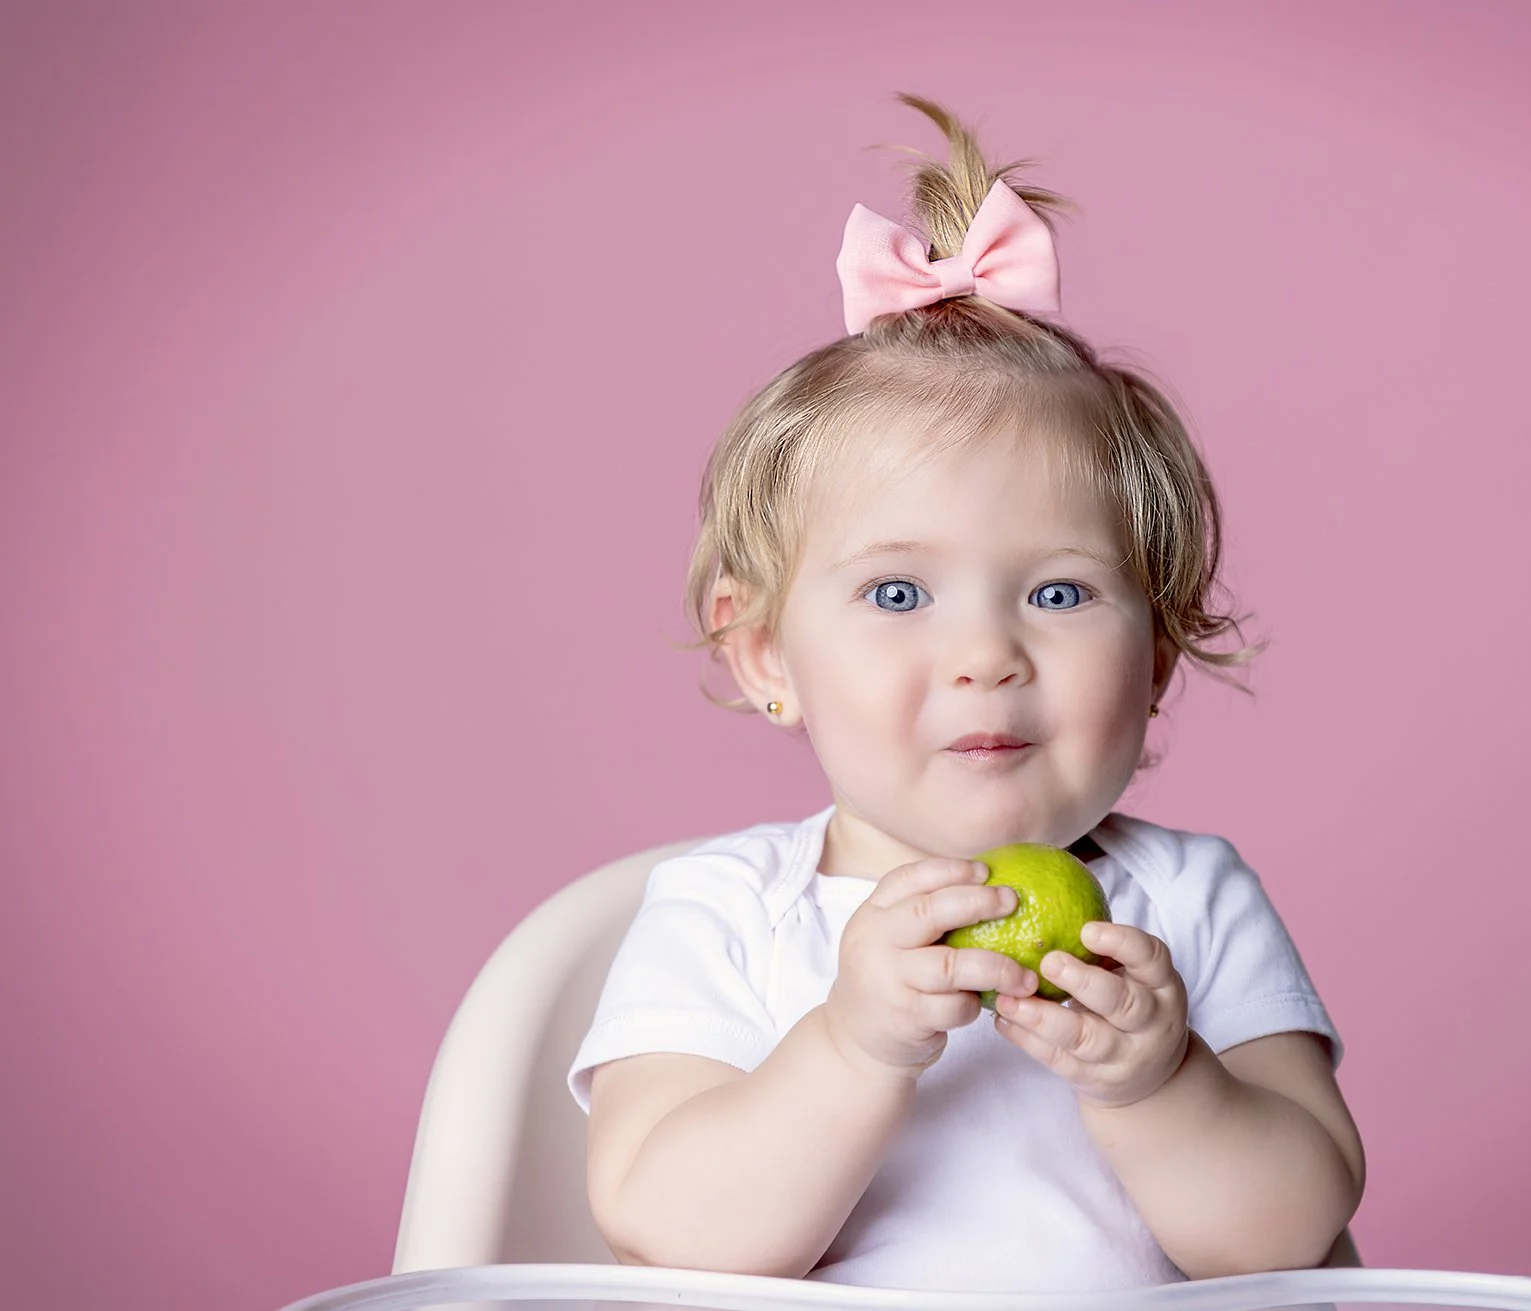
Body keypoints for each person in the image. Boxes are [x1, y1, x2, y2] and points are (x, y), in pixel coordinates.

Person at [569, 93, 1365, 1293]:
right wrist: (852, 1043)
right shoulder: (727, 913)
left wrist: (1160, 1081)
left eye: (1056, 595)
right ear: (765, 656)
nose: (985, 655)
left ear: (1155, 659)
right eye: (897, 597)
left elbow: (1293, 1237)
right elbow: (666, 1232)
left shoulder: (1189, 900)